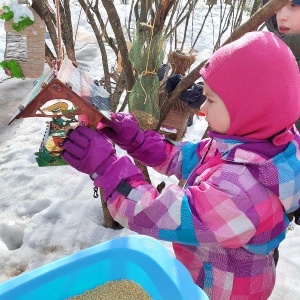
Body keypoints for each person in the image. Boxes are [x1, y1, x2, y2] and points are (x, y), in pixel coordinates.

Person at [61, 31, 300, 299]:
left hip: (224, 290)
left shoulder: (243, 190)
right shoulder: (256, 141)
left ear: (251, 108)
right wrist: (139, 142)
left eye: (210, 100)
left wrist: (107, 169)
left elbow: (166, 214)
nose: (201, 110)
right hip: (211, 269)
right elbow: (191, 159)